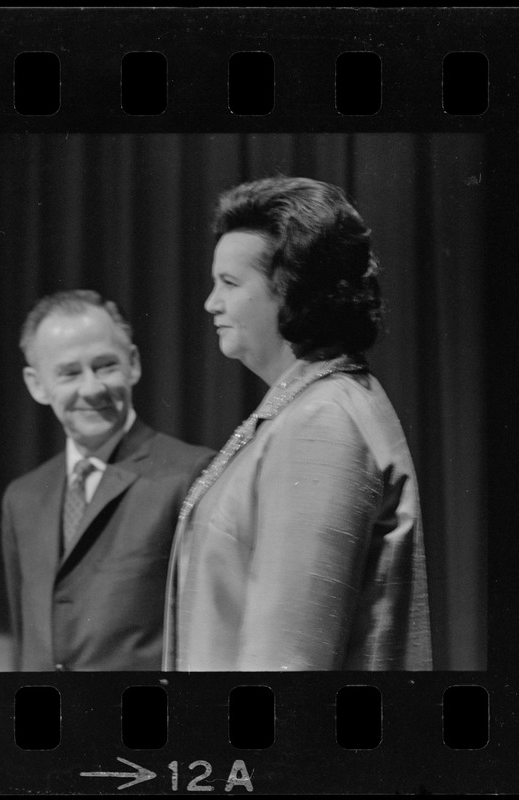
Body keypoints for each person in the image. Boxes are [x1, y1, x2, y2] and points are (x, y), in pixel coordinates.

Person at [164, 176, 433, 671]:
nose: (210, 303)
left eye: (229, 283)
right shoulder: (310, 405)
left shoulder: (322, 420)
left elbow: (289, 661)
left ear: (292, 288)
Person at [2, 290, 214, 671]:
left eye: (105, 366)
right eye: (69, 373)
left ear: (132, 363)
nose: (92, 388)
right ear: (37, 385)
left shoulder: (190, 474)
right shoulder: (23, 497)